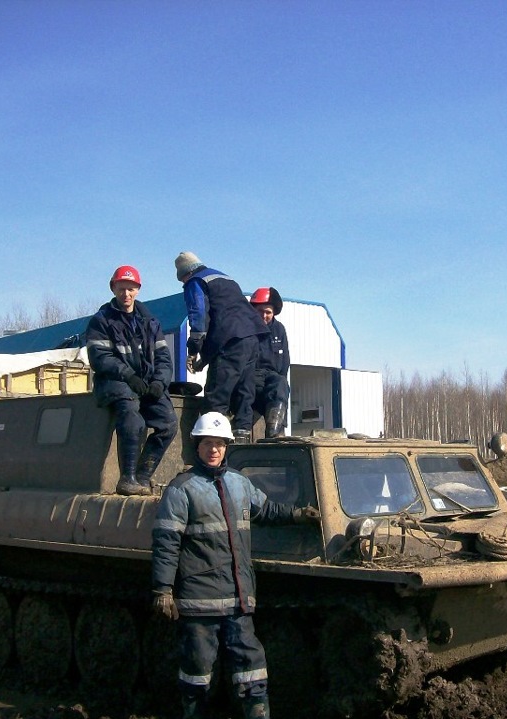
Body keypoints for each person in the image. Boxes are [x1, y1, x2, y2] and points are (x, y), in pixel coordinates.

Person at [150, 412, 319, 719]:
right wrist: (162, 589)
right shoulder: (181, 489)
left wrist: (297, 514)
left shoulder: (239, 484)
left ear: (227, 446)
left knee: (252, 666)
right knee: (198, 669)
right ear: (197, 447)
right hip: (200, 601)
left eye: (219, 444)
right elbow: (166, 542)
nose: (213, 450)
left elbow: (265, 509)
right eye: (207, 444)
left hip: (238, 600)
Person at [85, 265, 178, 497]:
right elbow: (100, 358)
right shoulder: (101, 321)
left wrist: (159, 383)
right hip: (115, 381)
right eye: (121, 289)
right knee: (132, 417)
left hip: (146, 382)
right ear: (113, 288)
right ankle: (127, 479)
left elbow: (164, 359)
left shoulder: (150, 322)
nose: (126, 294)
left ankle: (142, 476)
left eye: (131, 289)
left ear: (138, 290)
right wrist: (128, 375)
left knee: (168, 424)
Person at [174, 252, 269, 443]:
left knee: (217, 394)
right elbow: (227, 316)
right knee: (244, 389)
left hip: (231, 340)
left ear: (185, 273)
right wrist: (205, 359)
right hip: (251, 338)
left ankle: (210, 442)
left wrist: (193, 349)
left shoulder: (195, 281)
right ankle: (242, 438)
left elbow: (199, 317)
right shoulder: (224, 278)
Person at [249, 287, 290, 438]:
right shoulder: (245, 328)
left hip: (272, 377)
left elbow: (285, 361)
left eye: (268, 312)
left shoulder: (279, 329)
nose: (264, 316)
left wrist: (282, 381)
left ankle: (274, 433)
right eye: (260, 311)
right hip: (251, 377)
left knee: (281, 384)